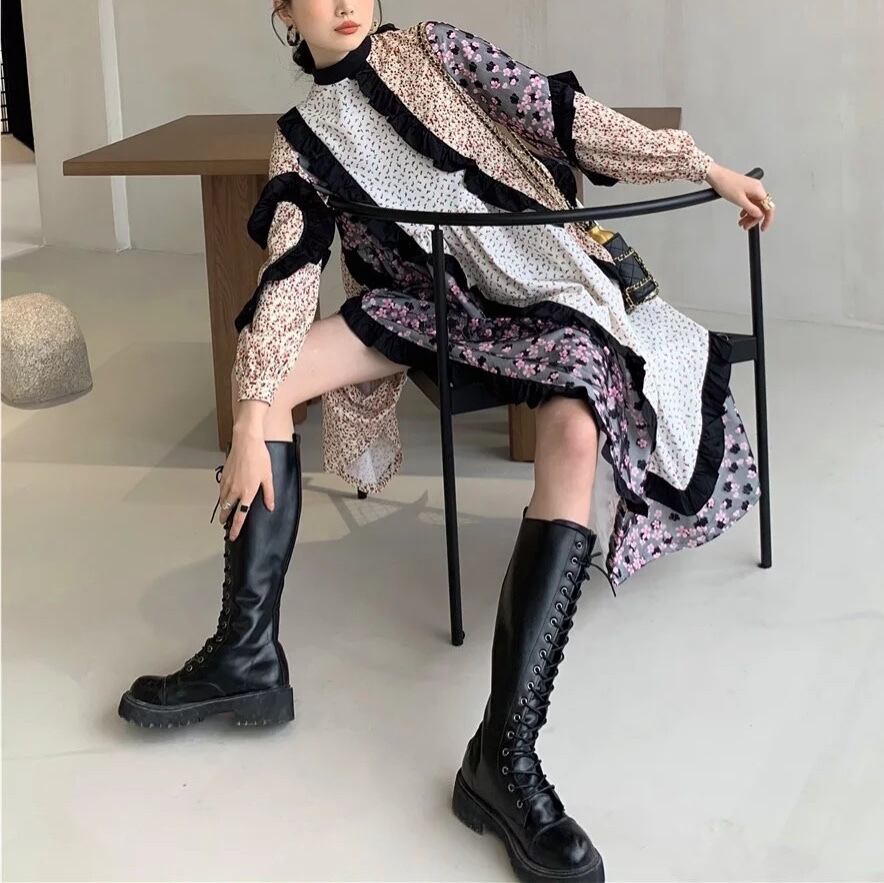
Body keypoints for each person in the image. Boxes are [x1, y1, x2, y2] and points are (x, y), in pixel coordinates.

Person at [118, 3, 776, 880]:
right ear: (282, 9)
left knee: (577, 423)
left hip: (542, 283)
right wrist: (248, 418)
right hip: (426, 308)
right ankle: (246, 654)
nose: (345, 2)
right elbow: (289, 275)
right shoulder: (299, 142)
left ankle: (504, 754)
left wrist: (703, 165)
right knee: (266, 371)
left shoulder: (433, 49)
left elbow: (563, 117)